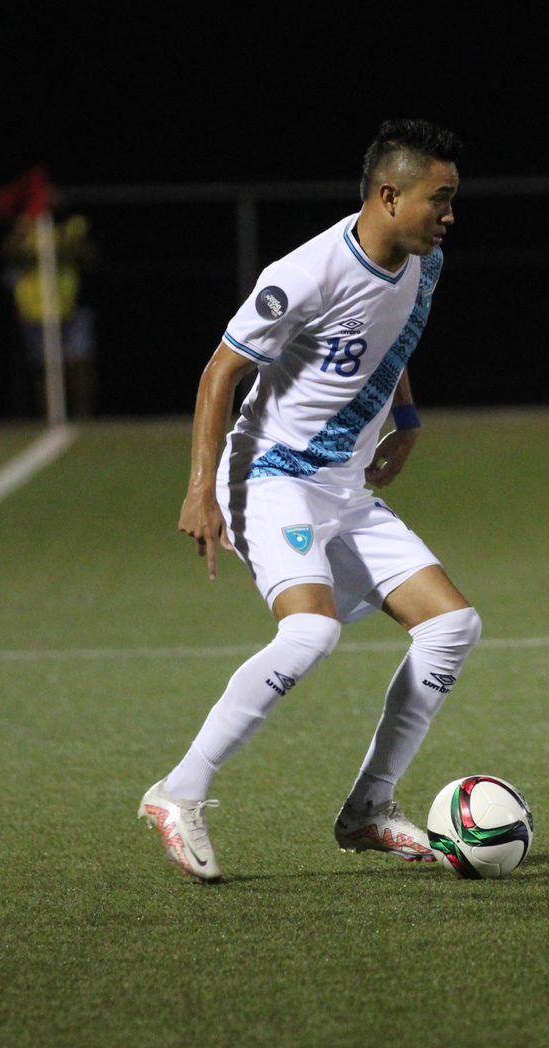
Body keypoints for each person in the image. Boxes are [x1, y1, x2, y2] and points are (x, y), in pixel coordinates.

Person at [141, 120, 478, 883]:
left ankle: (368, 809)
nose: (450, 214)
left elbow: (392, 344)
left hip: (344, 488)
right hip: (269, 475)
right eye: (441, 199)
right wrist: (202, 489)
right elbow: (218, 373)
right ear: (389, 195)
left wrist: (410, 419)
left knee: (453, 626)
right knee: (310, 635)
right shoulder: (308, 271)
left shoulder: (425, 265)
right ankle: (178, 792)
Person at [2, 205, 99, 418]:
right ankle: (50, 419)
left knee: (79, 362)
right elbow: (8, 253)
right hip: (36, 309)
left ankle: (84, 416)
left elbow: (90, 258)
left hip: (71, 305)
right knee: (44, 366)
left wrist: (67, 245)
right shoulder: (26, 227)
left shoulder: (71, 226)